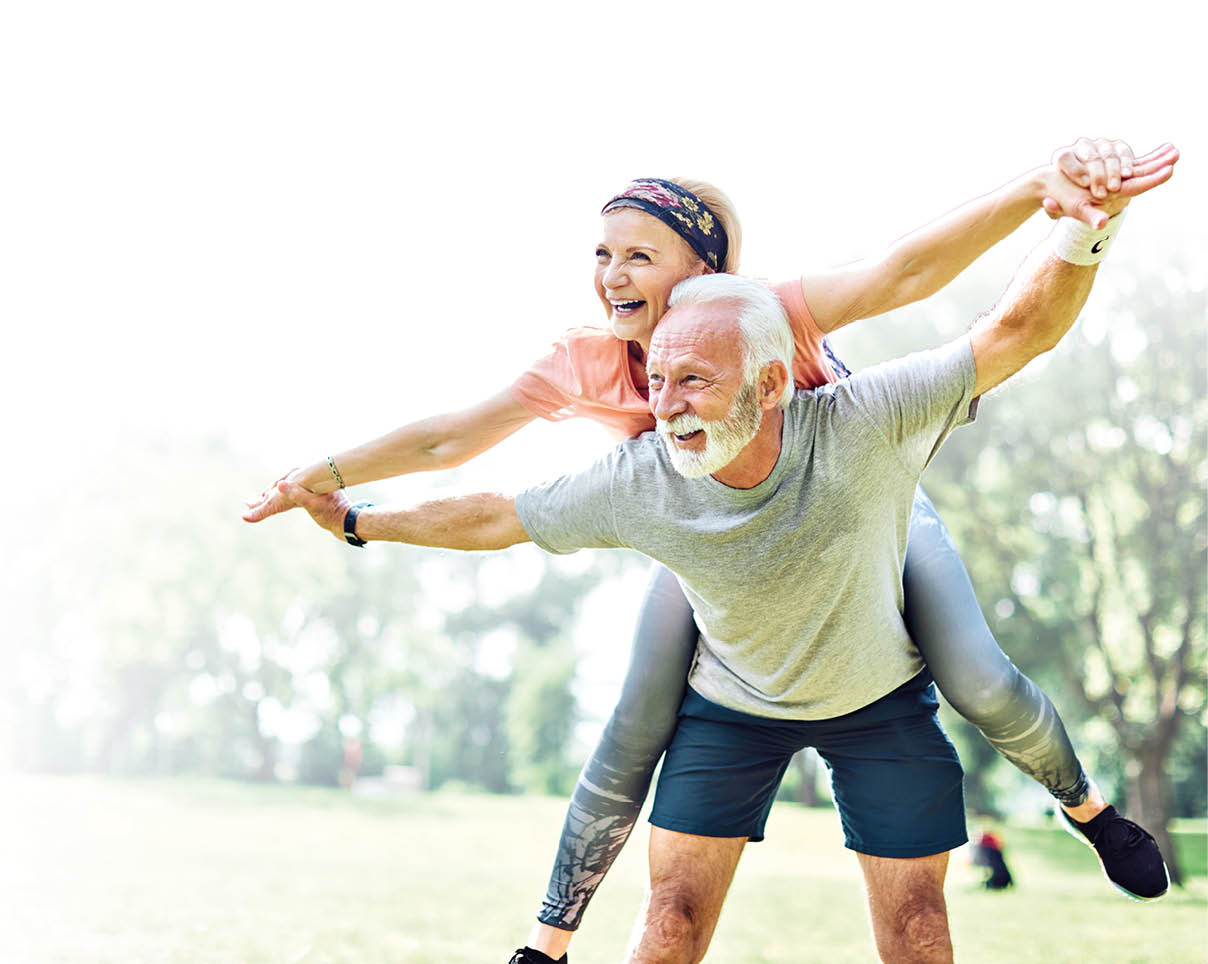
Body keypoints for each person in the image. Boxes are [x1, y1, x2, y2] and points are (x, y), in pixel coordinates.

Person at [244, 139, 1178, 961]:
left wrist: (1040, 194)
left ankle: (1087, 809)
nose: (611, 273)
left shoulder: (767, 313)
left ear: (704, 266)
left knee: (976, 677)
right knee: (635, 723)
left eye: (637, 255)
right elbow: (458, 447)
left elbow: (904, 275)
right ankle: (548, 942)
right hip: (704, 536)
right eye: (601, 252)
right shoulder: (590, 362)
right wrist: (326, 481)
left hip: (857, 516)